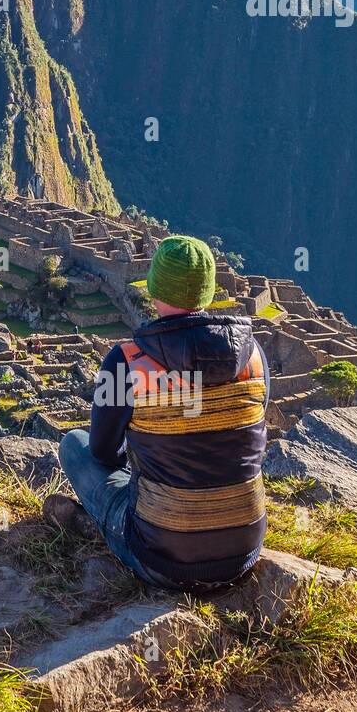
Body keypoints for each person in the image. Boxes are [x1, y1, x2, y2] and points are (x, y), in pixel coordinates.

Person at [44, 235, 269, 591]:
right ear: (208, 293)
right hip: (244, 549)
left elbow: (103, 452)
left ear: (153, 289)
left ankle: (96, 527)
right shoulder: (252, 355)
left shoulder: (127, 360)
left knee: (75, 444)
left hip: (163, 558)